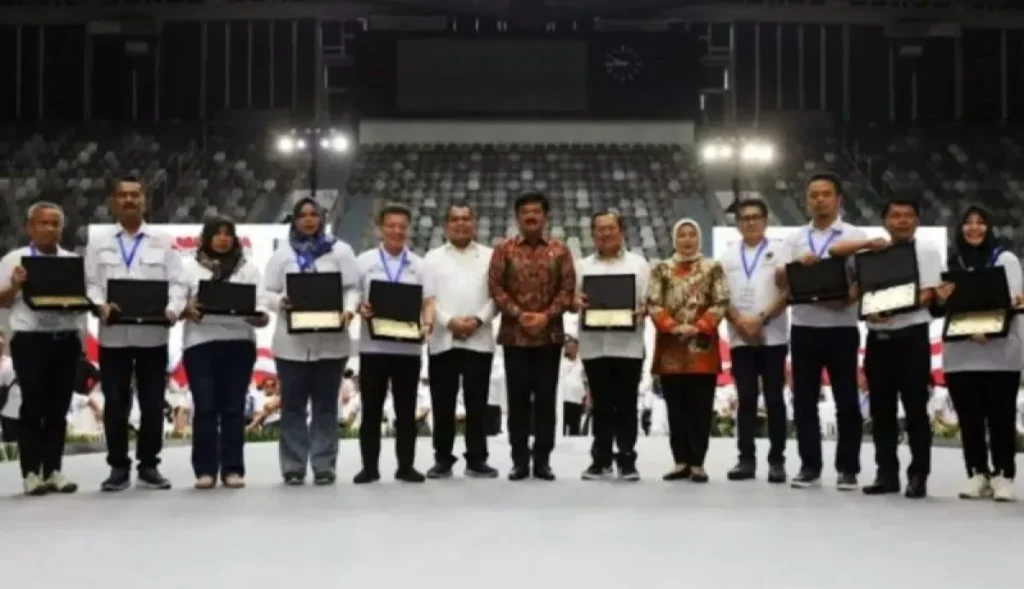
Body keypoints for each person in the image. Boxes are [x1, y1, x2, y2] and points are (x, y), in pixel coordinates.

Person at [830, 198, 938, 498]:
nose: (902, 221)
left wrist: (885, 306)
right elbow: (858, 290)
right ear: (885, 221)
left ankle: (918, 475)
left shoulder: (925, 250)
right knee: (882, 411)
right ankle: (886, 473)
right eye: (896, 215)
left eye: (908, 215)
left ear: (917, 220)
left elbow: (928, 293)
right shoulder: (872, 253)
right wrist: (869, 308)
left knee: (915, 408)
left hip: (911, 337)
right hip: (878, 340)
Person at [85, 179, 187, 492]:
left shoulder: (164, 240)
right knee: (115, 403)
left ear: (144, 201)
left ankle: (149, 465)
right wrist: (101, 304)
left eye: (135, 195)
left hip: (153, 336)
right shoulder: (98, 241)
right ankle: (117, 466)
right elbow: (91, 284)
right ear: (114, 202)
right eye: (123, 195)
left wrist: (172, 309)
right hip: (113, 336)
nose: (129, 200)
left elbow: (178, 284)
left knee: (153, 403)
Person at [775, 172, 867, 490]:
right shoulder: (795, 239)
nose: (819, 200)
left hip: (842, 327)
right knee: (804, 401)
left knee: (847, 400)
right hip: (803, 327)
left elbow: (863, 280)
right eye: (813, 194)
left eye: (826, 194)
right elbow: (779, 280)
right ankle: (809, 466)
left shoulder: (854, 235)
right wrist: (796, 265)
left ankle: (848, 468)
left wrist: (849, 298)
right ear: (807, 200)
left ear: (839, 199)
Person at [263, 197, 360, 486]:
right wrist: (280, 301)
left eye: (313, 215)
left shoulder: (341, 251)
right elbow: (265, 292)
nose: (308, 220)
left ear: (322, 218)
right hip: (291, 345)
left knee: (326, 406)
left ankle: (324, 465)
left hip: (331, 342)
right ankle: (293, 467)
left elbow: (352, 287)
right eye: (302, 215)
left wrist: (349, 309)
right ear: (294, 219)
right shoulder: (282, 253)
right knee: (292, 406)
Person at [933, 205, 1022, 502]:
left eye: (981, 222)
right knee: (970, 419)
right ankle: (977, 473)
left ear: (989, 227)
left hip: (1001, 353)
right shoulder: (951, 262)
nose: (974, 228)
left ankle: (1004, 475)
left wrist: (991, 329)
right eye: (968, 223)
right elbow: (939, 309)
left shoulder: (1006, 259)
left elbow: (1014, 301)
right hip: (961, 355)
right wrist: (940, 300)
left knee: (1001, 418)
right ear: (960, 229)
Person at [488, 192, 576, 481]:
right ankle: (519, 460)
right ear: (517, 217)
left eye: (536, 211)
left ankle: (543, 460)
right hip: (515, 336)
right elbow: (496, 287)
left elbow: (567, 290)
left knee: (546, 401)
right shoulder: (504, 249)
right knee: (518, 400)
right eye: (525, 212)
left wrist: (545, 316)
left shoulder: (561, 250)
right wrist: (519, 313)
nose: (531, 216)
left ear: (545, 216)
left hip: (549, 337)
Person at [0, 202, 86, 495]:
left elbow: (84, 300)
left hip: (65, 339)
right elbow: (2, 300)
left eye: (55, 224)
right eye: (43, 223)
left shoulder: (73, 260)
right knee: (32, 405)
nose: (49, 229)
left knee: (58, 407)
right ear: (30, 227)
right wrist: (14, 285)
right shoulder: (14, 259)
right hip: (30, 340)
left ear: (62, 228)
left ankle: (54, 470)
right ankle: (30, 474)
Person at [179, 216, 268, 489]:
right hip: (200, 345)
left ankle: (232, 469)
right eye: (217, 233)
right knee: (204, 408)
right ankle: (205, 470)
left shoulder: (249, 269)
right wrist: (186, 309)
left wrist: (258, 317)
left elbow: (262, 307)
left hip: (239, 344)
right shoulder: (188, 268)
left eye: (228, 233)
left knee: (233, 409)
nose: (223, 238)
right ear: (206, 238)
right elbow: (176, 303)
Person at [354, 203, 435, 484]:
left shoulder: (419, 264)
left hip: (408, 349)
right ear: (380, 228)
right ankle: (369, 467)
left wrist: (427, 324)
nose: (397, 231)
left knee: (405, 410)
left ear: (409, 230)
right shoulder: (363, 261)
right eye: (391, 225)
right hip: (372, 348)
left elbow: (429, 302)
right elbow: (353, 296)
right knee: (371, 410)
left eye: (402, 226)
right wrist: (359, 307)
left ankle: (406, 466)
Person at [647, 218, 729, 483]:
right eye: (681, 235)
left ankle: (698, 462)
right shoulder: (661, 269)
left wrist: (698, 326)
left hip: (702, 348)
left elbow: (721, 300)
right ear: (674, 239)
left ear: (699, 238)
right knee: (675, 408)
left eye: (691, 234)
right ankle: (680, 460)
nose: (686, 240)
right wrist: (672, 326)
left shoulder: (713, 268)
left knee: (700, 408)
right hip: (671, 348)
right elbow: (653, 302)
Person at [422, 203, 499, 479]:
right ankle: (443, 458)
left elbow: (497, 297)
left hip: (479, 338)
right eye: (455, 219)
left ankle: (477, 458)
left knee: (477, 402)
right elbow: (427, 298)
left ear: (474, 223)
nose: (461, 224)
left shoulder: (491, 256)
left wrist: (477, 320)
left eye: (466, 219)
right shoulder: (432, 258)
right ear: (446, 225)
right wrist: (449, 321)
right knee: (442, 402)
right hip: (443, 339)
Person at [572, 210, 649, 480]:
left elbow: (648, 301)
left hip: (628, 344)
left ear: (621, 231)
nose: (605, 233)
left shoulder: (639, 264)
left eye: (611, 228)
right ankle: (601, 459)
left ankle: (627, 459)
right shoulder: (581, 266)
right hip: (594, 345)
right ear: (592, 233)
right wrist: (576, 303)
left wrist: (644, 309)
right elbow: (572, 301)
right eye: (600, 229)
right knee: (601, 404)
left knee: (627, 403)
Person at [718, 199, 790, 483]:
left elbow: (788, 292)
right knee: (746, 399)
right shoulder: (727, 256)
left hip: (772, 335)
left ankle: (777, 461)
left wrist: (760, 318)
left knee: (774, 400)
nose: (750, 222)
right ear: (737, 223)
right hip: (740, 338)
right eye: (744, 218)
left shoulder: (782, 250)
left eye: (755, 217)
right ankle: (745, 459)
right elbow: (721, 297)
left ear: (766, 220)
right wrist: (740, 322)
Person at [559, 337, 585, 436]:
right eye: (568, 347)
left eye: (573, 347)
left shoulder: (582, 363)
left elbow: (586, 381)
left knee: (575, 428)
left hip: (576, 400)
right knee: (562, 426)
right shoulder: (560, 362)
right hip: (563, 399)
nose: (571, 349)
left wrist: (588, 398)